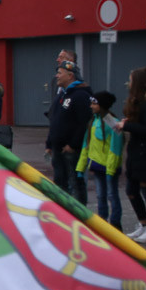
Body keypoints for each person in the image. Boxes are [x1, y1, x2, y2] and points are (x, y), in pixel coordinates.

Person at [76, 91, 124, 232]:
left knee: (111, 195)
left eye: (94, 103)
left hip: (109, 168)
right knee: (100, 195)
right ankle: (102, 224)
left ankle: (115, 225)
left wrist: (110, 169)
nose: (91, 106)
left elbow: (115, 149)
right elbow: (86, 146)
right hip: (97, 166)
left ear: (102, 105)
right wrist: (80, 168)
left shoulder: (113, 123)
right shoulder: (93, 122)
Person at [46, 60, 92, 205]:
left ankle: (79, 216)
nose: (56, 76)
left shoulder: (80, 95)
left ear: (70, 75)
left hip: (71, 150)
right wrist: (49, 143)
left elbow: (84, 123)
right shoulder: (62, 95)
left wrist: (73, 145)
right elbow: (54, 121)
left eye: (60, 73)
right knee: (60, 184)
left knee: (75, 184)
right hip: (58, 149)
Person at [118, 69, 146, 242]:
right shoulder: (136, 103)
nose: (128, 83)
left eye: (130, 80)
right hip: (136, 152)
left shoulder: (145, 104)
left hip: (144, 154)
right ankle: (143, 224)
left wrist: (127, 126)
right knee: (131, 190)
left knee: (144, 189)